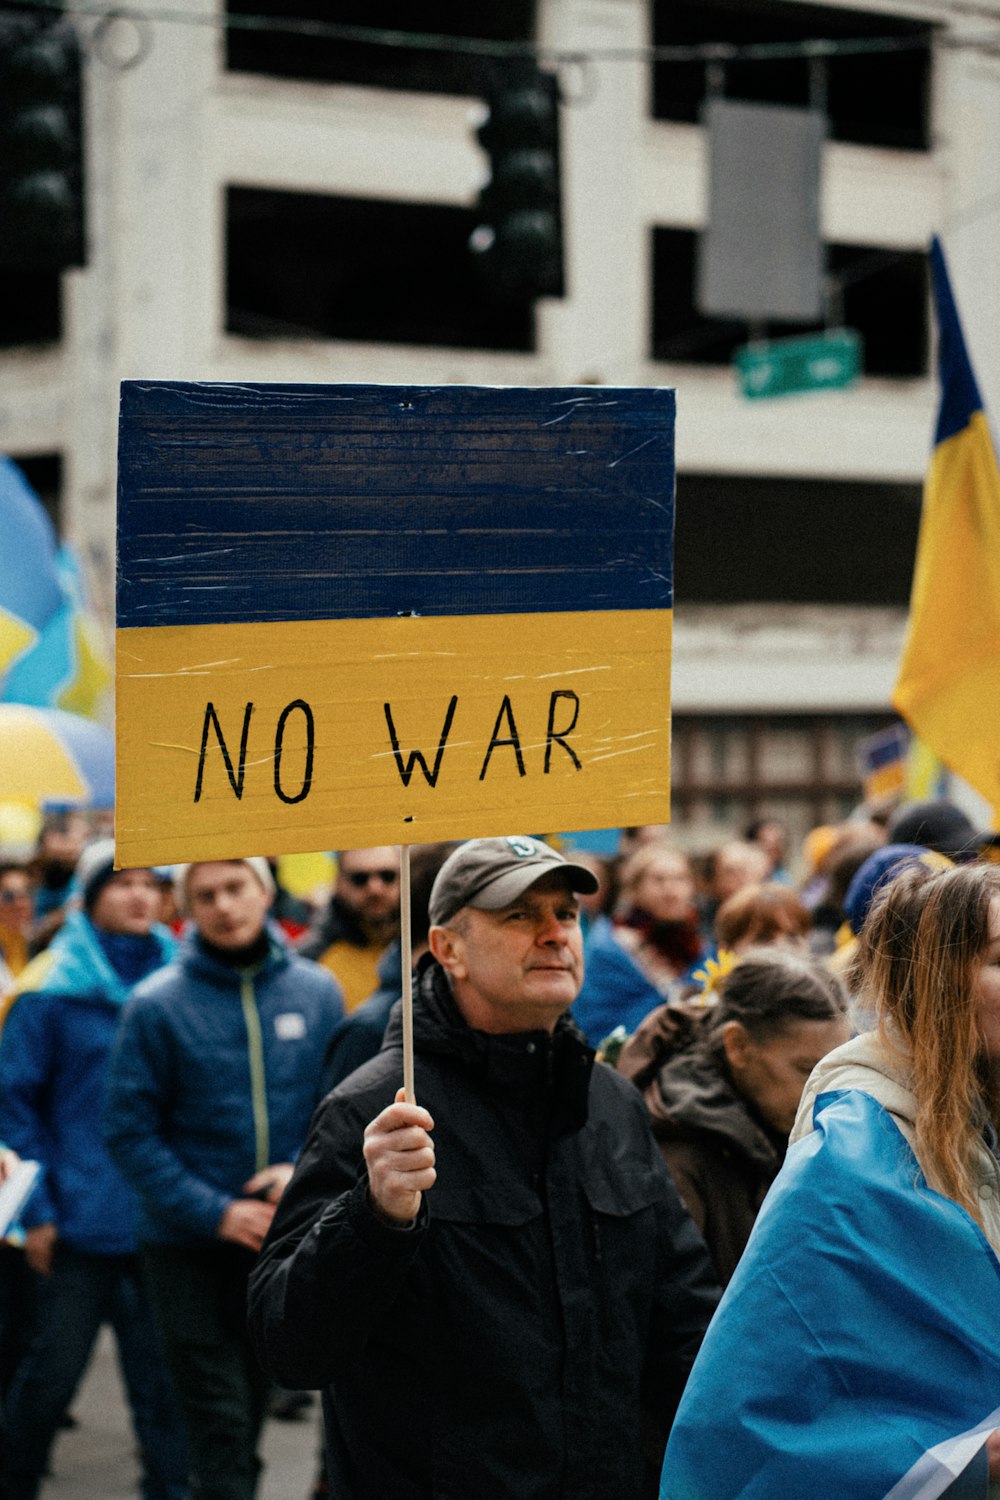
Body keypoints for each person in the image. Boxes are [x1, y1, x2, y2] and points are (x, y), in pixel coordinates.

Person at [248, 835, 720, 1500]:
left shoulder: (609, 1102)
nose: (555, 934)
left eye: (566, 913)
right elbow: (289, 1345)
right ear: (448, 950)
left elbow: (685, 1321)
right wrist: (373, 1216)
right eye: (520, 916)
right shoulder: (374, 1111)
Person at [661, 861, 1000, 1498]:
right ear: (937, 985)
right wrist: (966, 1462)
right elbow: (754, 1431)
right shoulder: (850, 1157)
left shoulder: (986, 1112)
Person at [105, 857, 345, 1500]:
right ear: (186, 908)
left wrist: (299, 1170)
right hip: (185, 1250)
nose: (224, 905)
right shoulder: (155, 1005)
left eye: (236, 888)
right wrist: (217, 1211)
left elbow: (338, 1110)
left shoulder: (316, 991)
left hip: (283, 1242)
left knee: (258, 1405)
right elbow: (128, 1133)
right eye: (205, 894)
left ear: (265, 893)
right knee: (219, 1427)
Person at [0, 839, 187, 1500]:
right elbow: (14, 1107)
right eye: (120, 882)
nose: (138, 895)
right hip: (74, 1229)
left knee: (165, 1397)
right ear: (89, 896)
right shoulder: (49, 988)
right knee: (45, 1386)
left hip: (161, 1224)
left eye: (151, 882)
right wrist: (38, 1213)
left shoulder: (183, 981)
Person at [616, 949, 849, 1283]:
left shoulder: (787, 1124)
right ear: (737, 1045)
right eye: (807, 1070)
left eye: (837, 1070)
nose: (827, 1093)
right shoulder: (677, 1156)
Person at [572, 841, 705, 1046]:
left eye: (680, 879)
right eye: (658, 880)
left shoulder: (701, 947)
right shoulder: (608, 947)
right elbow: (595, 1023)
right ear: (634, 888)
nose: (671, 890)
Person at [298, 846, 401, 1011]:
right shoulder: (311, 960)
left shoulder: (425, 948)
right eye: (360, 878)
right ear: (338, 882)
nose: (375, 888)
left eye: (387, 876)